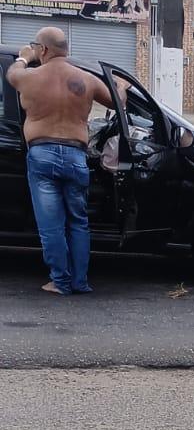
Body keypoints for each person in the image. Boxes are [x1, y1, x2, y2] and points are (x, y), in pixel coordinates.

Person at [8, 26, 115, 295]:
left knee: (52, 225)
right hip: (76, 155)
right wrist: (122, 87)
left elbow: (11, 74)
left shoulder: (30, 77)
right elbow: (117, 102)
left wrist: (24, 56)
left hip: (42, 155)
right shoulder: (86, 79)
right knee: (78, 222)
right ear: (66, 50)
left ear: (42, 50)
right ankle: (80, 282)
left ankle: (60, 281)